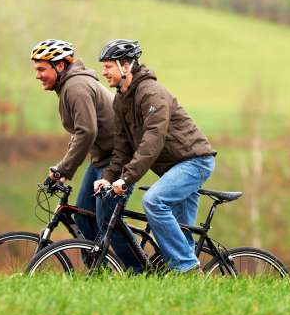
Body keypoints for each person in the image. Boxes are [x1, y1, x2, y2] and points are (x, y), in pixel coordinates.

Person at [93, 39, 217, 273]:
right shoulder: (121, 99)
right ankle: (190, 286)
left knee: (153, 201)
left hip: (194, 161)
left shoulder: (151, 93)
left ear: (126, 66)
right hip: (174, 168)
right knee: (182, 235)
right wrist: (108, 177)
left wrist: (126, 178)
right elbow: (122, 147)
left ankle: (187, 269)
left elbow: (153, 140)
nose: (104, 72)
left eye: (108, 66)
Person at [30, 39, 141, 272]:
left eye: (42, 69)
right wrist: (62, 169)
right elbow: (81, 132)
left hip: (118, 158)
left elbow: (87, 132)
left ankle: (139, 271)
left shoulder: (75, 87)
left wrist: (65, 169)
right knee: (84, 214)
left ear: (60, 66)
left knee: (107, 219)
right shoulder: (69, 87)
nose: (38, 75)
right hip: (102, 157)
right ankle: (97, 271)